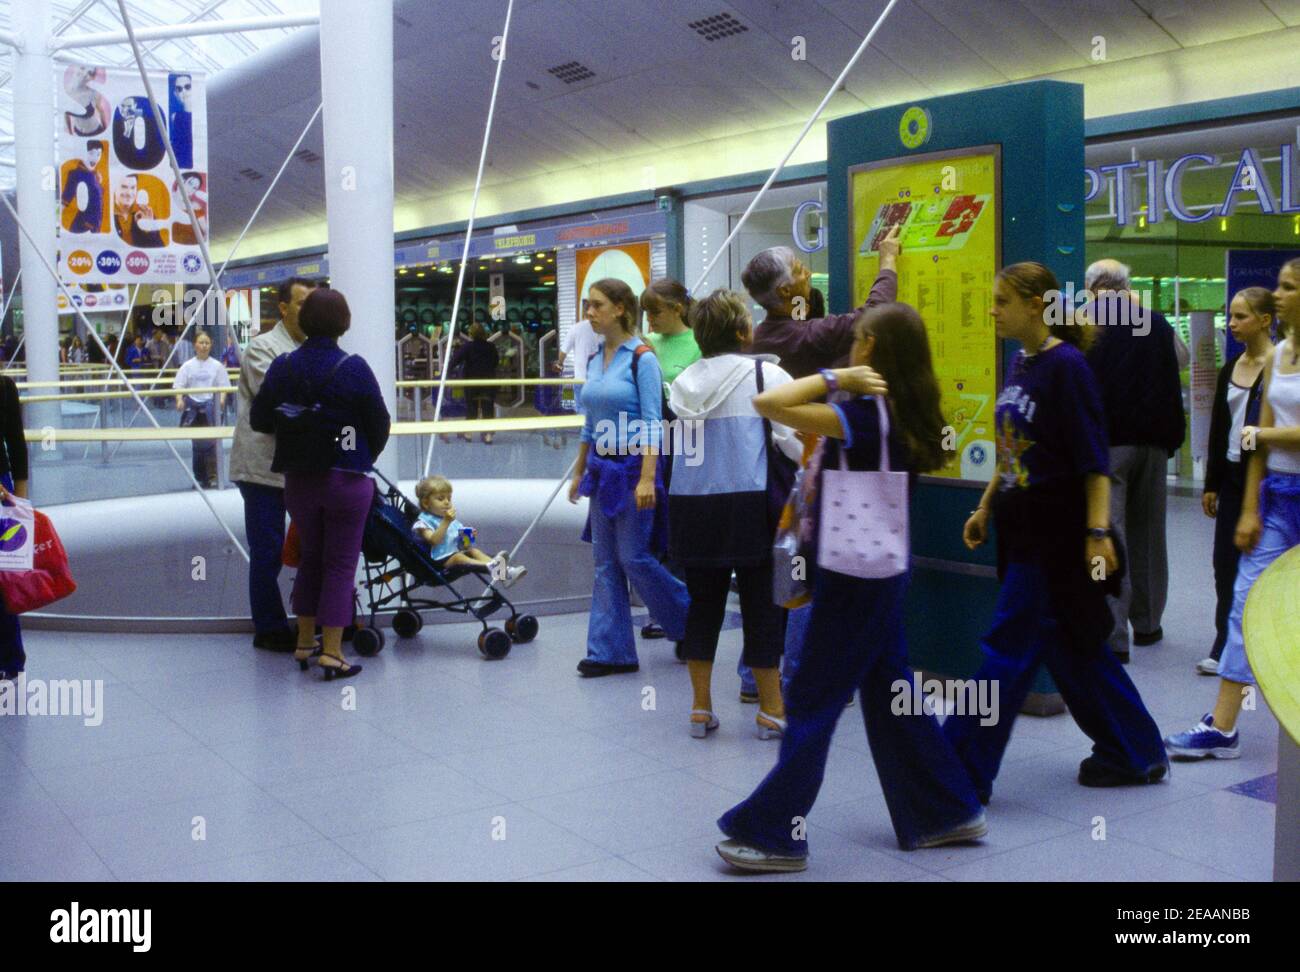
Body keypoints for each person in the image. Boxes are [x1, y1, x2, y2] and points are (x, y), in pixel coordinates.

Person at [717, 302, 986, 873]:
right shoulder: (905, 413)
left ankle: (775, 833)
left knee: (812, 699)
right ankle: (947, 811)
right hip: (882, 572)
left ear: (875, 353)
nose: (851, 349)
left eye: (860, 340)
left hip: (853, 575)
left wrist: (834, 378)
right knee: (894, 698)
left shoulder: (863, 417)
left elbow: (767, 403)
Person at [945, 262, 1169, 799]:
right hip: (1022, 528)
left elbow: (1094, 461)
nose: (993, 310)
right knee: (1074, 645)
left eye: (1002, 301)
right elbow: (1012, 449)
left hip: (1059, 536)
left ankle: (956, 769)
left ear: (1036, 305)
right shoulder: (1021, 363)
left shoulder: (1068, 367)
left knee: (1006, 648)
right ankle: (1136, 750)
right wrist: (984, 506)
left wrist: (1097, 535)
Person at [1166, 260, 1300, 758]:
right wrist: (1249, 508)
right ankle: (1223, 727)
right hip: (1278, 497)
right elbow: (1254, 445)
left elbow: (1258, 433)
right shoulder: (1282, 355)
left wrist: (1262, 434)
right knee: (1246, 601)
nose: (1280, 294)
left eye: (1288, 287)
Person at [667, 289, 800, 739]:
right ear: (744, 331)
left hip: (692, 508)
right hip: (752, 507)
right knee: (763, 609)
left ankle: (700, 709)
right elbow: (794, 442)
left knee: (703, 606)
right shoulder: (766, 374)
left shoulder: (683, 383)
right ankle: (771, 710)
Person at [250, 288, 391, 680]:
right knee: (340, 565)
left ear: (304, 320)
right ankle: (332, 653)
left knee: (311, 558)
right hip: (346, 480)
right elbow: (379, 423)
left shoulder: (283, 366)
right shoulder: (354, 367)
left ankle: (304, 642)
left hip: (298, 481)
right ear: (343, 323)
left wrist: (297, 431)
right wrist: (361, 453)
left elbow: (260, 420)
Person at [567, 278, 689, 677]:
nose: (589, 313)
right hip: (603, 468)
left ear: (621, 308)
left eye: (597, 305)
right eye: (588, 305)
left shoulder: (642, 359)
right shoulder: (594, 358)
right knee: (604, 561)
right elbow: (591, 421)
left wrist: (648, 478)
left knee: (634, 556)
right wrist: (579, 469)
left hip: (635, 466)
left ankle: (689, 619)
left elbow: (654, 422)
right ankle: (609, 652)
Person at [1082, 258, 1185, 661]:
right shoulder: (1154, 321)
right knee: (1149, 534)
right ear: (1126, 286)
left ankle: (1112, 636)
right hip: (1155, 443)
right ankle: (1148, 625)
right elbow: (1182, 358)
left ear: (1092, 288)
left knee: (1110, 535)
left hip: (1110, 445)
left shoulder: (1082, 319)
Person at [230, 277, 315, 652]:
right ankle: (269, 627)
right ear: (283, 308)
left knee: (314, 546)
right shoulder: (262, 348)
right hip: (262, 468)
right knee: (268, 549)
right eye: (302, 303)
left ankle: (317, 619)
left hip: (301, 467)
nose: (309, 311)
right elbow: (284, 399)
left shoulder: (315, 347)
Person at [1197, 288, 1274, 676]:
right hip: (1229, 477)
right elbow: (1219, 428)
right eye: (1231, 316)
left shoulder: (1279, 369)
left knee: (1260, 565)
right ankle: (1223, 640)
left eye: (1241, 316)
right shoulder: (1231, 367)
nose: (1232, 324)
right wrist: (1211, 481)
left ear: (1264, 320)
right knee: (1224, 564)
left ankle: (1263, 643)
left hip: (1264, 479)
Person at [745, 225, 900, 377]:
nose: (808, 274)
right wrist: (888, 259)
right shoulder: (811, 335)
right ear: (785, 290)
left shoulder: (757, 339)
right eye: (800, 270)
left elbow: (792, 314)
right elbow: (875, 313)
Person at [638, 277, 702, 641]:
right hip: (648, 447)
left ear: (678, 309)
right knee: (652, 527)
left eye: (655, 311)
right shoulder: (647, 346)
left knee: (676, 525)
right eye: (645, 312)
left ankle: (680, 607)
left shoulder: (698, 344)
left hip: (684, 446)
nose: (649, 319)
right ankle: (660, 606)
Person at [413, 475, 525, 584]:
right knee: (459, 558)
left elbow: (462, 546)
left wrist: (467, 538)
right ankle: (495, 568)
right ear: (426, 503)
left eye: (449, 498)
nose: (447, 502)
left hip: (455, 553)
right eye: (441, 499)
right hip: (439, 562)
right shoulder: (423, 523)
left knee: (473, 551)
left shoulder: (450, 521)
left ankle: (504, 571)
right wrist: (446, 522)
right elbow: (434, 540)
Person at [173, 332, 231, 488]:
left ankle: (213, 476)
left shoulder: (217, 366)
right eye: (201, 342)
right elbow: (179, 385)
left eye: (207, 343)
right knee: (197, 445)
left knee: (212, 444)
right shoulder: (187, 366)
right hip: (193, 408)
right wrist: (179, 400)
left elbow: (224, 386)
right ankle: (200, 476)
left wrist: (222, 399)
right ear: (195, 345)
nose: (204, 346)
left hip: (211, 407)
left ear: (211, 345)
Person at [0, 372, 29, 682]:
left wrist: (20, 504)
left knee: (4, 579)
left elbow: (16, 444)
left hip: (3, 492)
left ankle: (9, 659)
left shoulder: (5, 388)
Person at [449, 323, 499, 443]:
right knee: (488, 408)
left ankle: (469, 434)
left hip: (472, 382)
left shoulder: (467, 347)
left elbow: (455, 360)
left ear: (471, 334)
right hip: (488, 381)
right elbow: (496, 362)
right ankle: (488, 435)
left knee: (471, 407)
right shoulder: (491, 346)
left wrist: (448, 371)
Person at [61, 141, 105, 234]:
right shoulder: (75, 174)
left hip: (95, 228)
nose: (95, 158)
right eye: (91, 153)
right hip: (83, 226)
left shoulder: (95, 176)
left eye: (98, 154)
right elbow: (65, 200)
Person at [112, 174, 166, 248]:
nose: (129, 193)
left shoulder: (144, 214)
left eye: (133, 188)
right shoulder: (106, 214)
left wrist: (149, 229)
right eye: (124, 187)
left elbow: (159, 249)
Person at [554, 315, 600, 391]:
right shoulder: (605, 329)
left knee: (580, 402)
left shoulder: (576, 328)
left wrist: (559, 363)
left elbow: (564, 351)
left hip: (581, 379)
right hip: (599, 380)